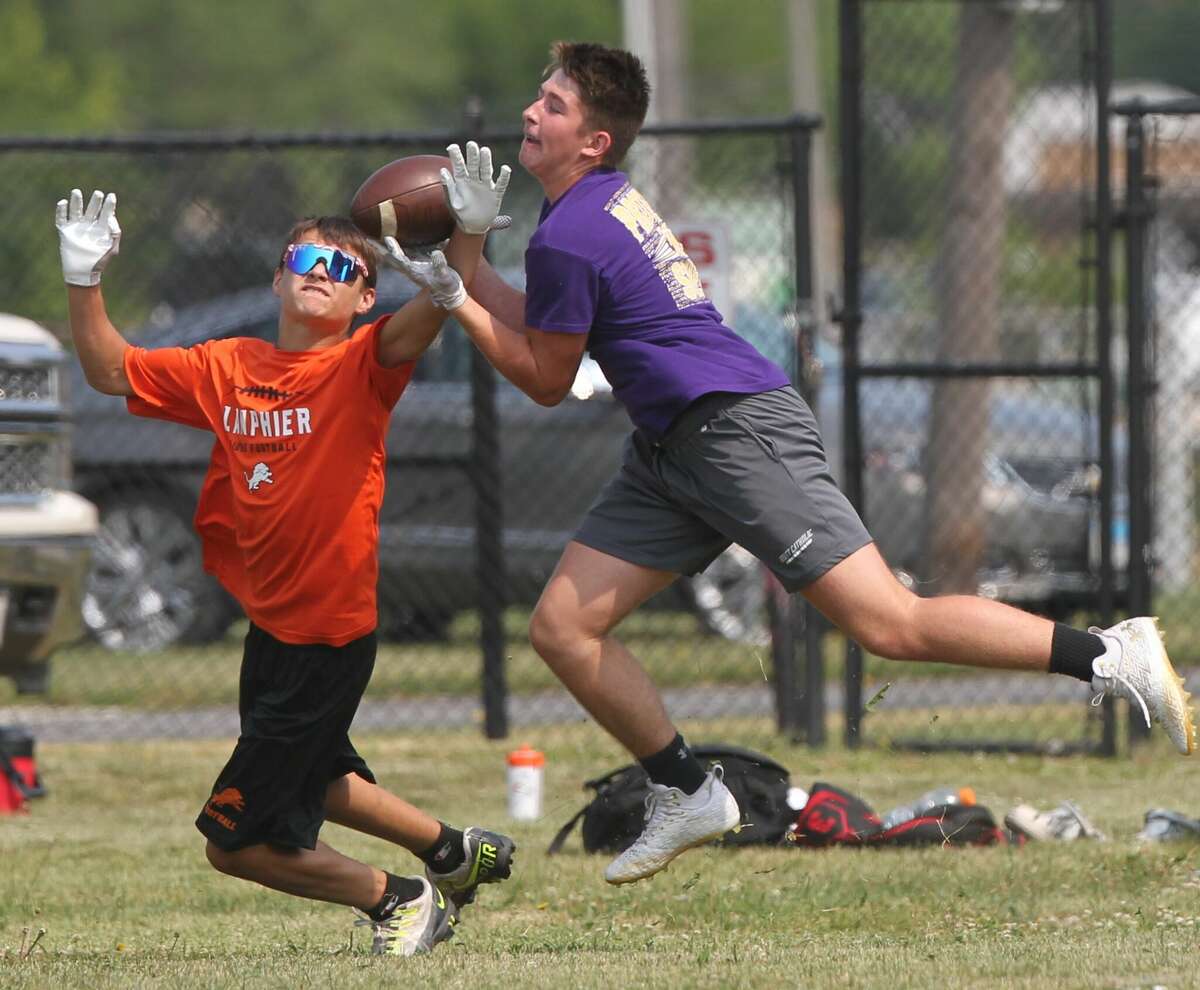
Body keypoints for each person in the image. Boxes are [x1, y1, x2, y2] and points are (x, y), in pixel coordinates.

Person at [387, 41, 1196, 888]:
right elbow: (534, 322)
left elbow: (546, 380)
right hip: (674, 447)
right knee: (563, 627)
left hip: (734, 433)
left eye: (553, 104)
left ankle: (1106, 653)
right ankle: (687, 790)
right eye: (539, 97)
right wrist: (468, 254)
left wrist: (457, 302)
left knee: (890, 624)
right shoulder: (580, 215)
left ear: (595, 141)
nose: (531, 112)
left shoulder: (575, 230)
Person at [54, 142, 515, 955]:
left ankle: (399, 899)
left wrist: (464, 251)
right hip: (272, 630)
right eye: (303, 258)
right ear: (276, 278)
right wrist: (84, 280)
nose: (318, 273)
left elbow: (431, 310)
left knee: (234, 842)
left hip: (326, 638)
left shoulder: (361, 365)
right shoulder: (228, 367)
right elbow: (108, 371)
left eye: (341, 270)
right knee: (317, 781)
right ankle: (453, 853)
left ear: (363, 298)